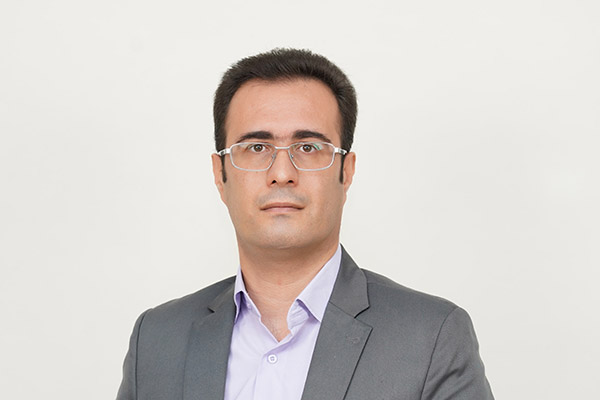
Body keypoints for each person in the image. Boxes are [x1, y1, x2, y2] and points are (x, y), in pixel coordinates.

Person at [116, 48, 494, 400]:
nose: (282, 173)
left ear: (346, 171)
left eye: (308, 147)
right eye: (257, 147)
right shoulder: (157, 340)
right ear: (220, 174)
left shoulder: (431, 337)